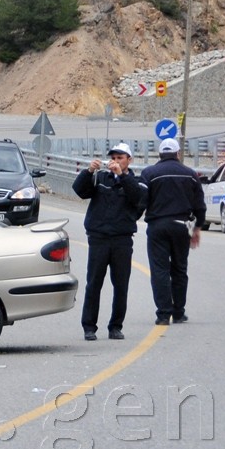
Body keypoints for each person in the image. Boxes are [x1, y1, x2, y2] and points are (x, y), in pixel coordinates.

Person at [73, 142, 146, 341]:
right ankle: (89, 326)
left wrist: (121, 176)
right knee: (93, 284)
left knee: (121, 285)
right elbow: (80, 191)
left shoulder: (136, 181)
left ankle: (116, 326)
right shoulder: (101, 178)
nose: (115, 161)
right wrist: (88, 171)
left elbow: (138, 198)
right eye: (113, 158)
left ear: (129, 160)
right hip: (99, 238)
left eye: (120, 158)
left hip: (122, 240)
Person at [139, 137, 205, 326]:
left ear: (159, 154)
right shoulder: (190, 174)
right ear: (178, 154)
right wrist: (197, 227)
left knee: (159, 270)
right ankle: (178, 312)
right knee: (179, 269)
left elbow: (141, 200)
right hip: (181, 226)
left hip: (157, 226)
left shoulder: (149, 173)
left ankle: (163, 314)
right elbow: (199, 205)